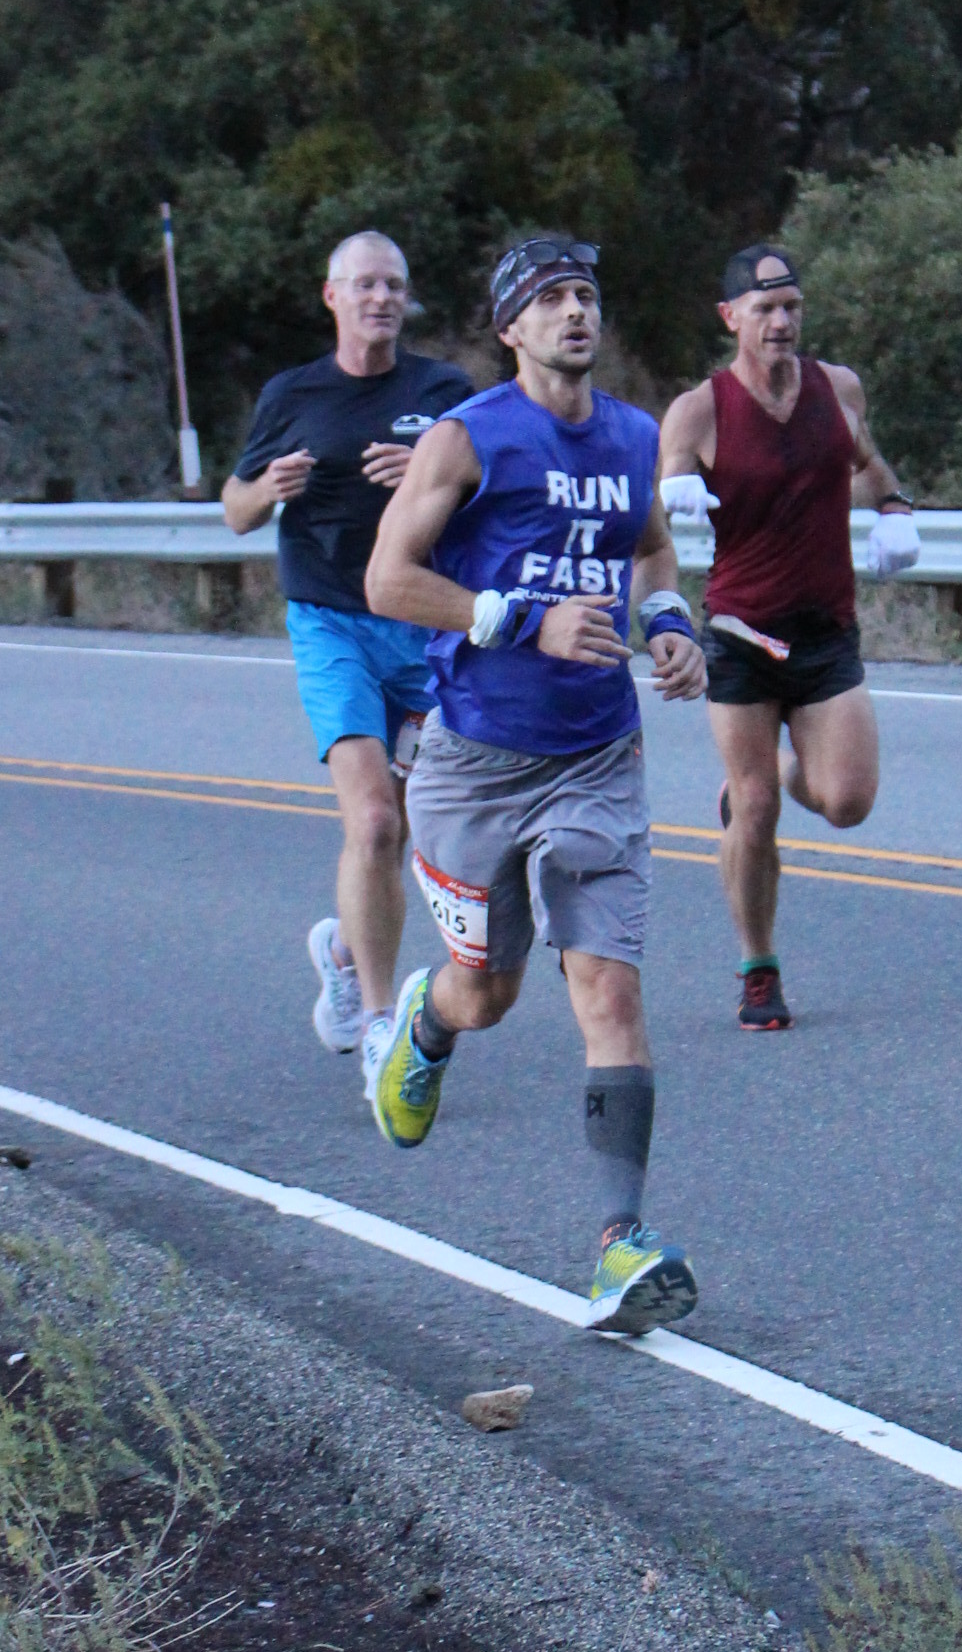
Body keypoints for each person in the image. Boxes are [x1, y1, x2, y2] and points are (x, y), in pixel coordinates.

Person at [363, 232, 709, 1334]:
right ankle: (426, 1028)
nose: (575, 312)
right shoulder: (469, 438)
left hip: (598, 754)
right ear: (511, 326)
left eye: (585, 294)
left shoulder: (632, 437)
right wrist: (519, 619)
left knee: (608, 988)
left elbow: (649, 549)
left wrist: (668, 622)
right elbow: (387, 579)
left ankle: (620, 1244)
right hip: (474, 762)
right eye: (551, 297)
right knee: (488, 993)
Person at [222, 230, 471, 1066]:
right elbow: (235, 510)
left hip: (423, 627)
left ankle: (340, 951)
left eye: (393, 285)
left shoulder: (443, 391)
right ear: (332, 296)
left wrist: (431, 475)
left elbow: (488, 491)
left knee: (405, 829)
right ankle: (377, 1023)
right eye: (364, 284)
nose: (380, 299)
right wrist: (268, 487)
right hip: (331, 621)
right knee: (371, 822)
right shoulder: (293, 394)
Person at [657, 240, 918, 1029]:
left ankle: (764, 771)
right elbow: (665, 483)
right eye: (765, 308)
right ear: (730, 317)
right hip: (741, 632)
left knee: (847, 801)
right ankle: (758, 967)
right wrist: (678, 488)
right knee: (757, 809)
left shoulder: (837, 388)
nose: (781, 322)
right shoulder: (701, 408)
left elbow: (866, 463)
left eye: (792, 307)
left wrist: (895, 508)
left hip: (825, 630)